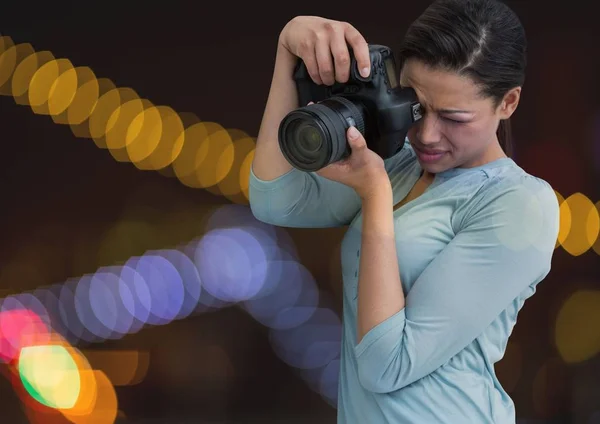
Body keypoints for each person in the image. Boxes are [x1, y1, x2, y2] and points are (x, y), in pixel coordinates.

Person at [248, 0, 560, 422]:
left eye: (454, 118)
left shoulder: (519, 204)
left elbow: (386, 364)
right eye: (416, 106)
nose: (427, 134)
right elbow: (275, 199)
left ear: (508, 103)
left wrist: (375, 195)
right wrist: (288, 51)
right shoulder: (399, 161)